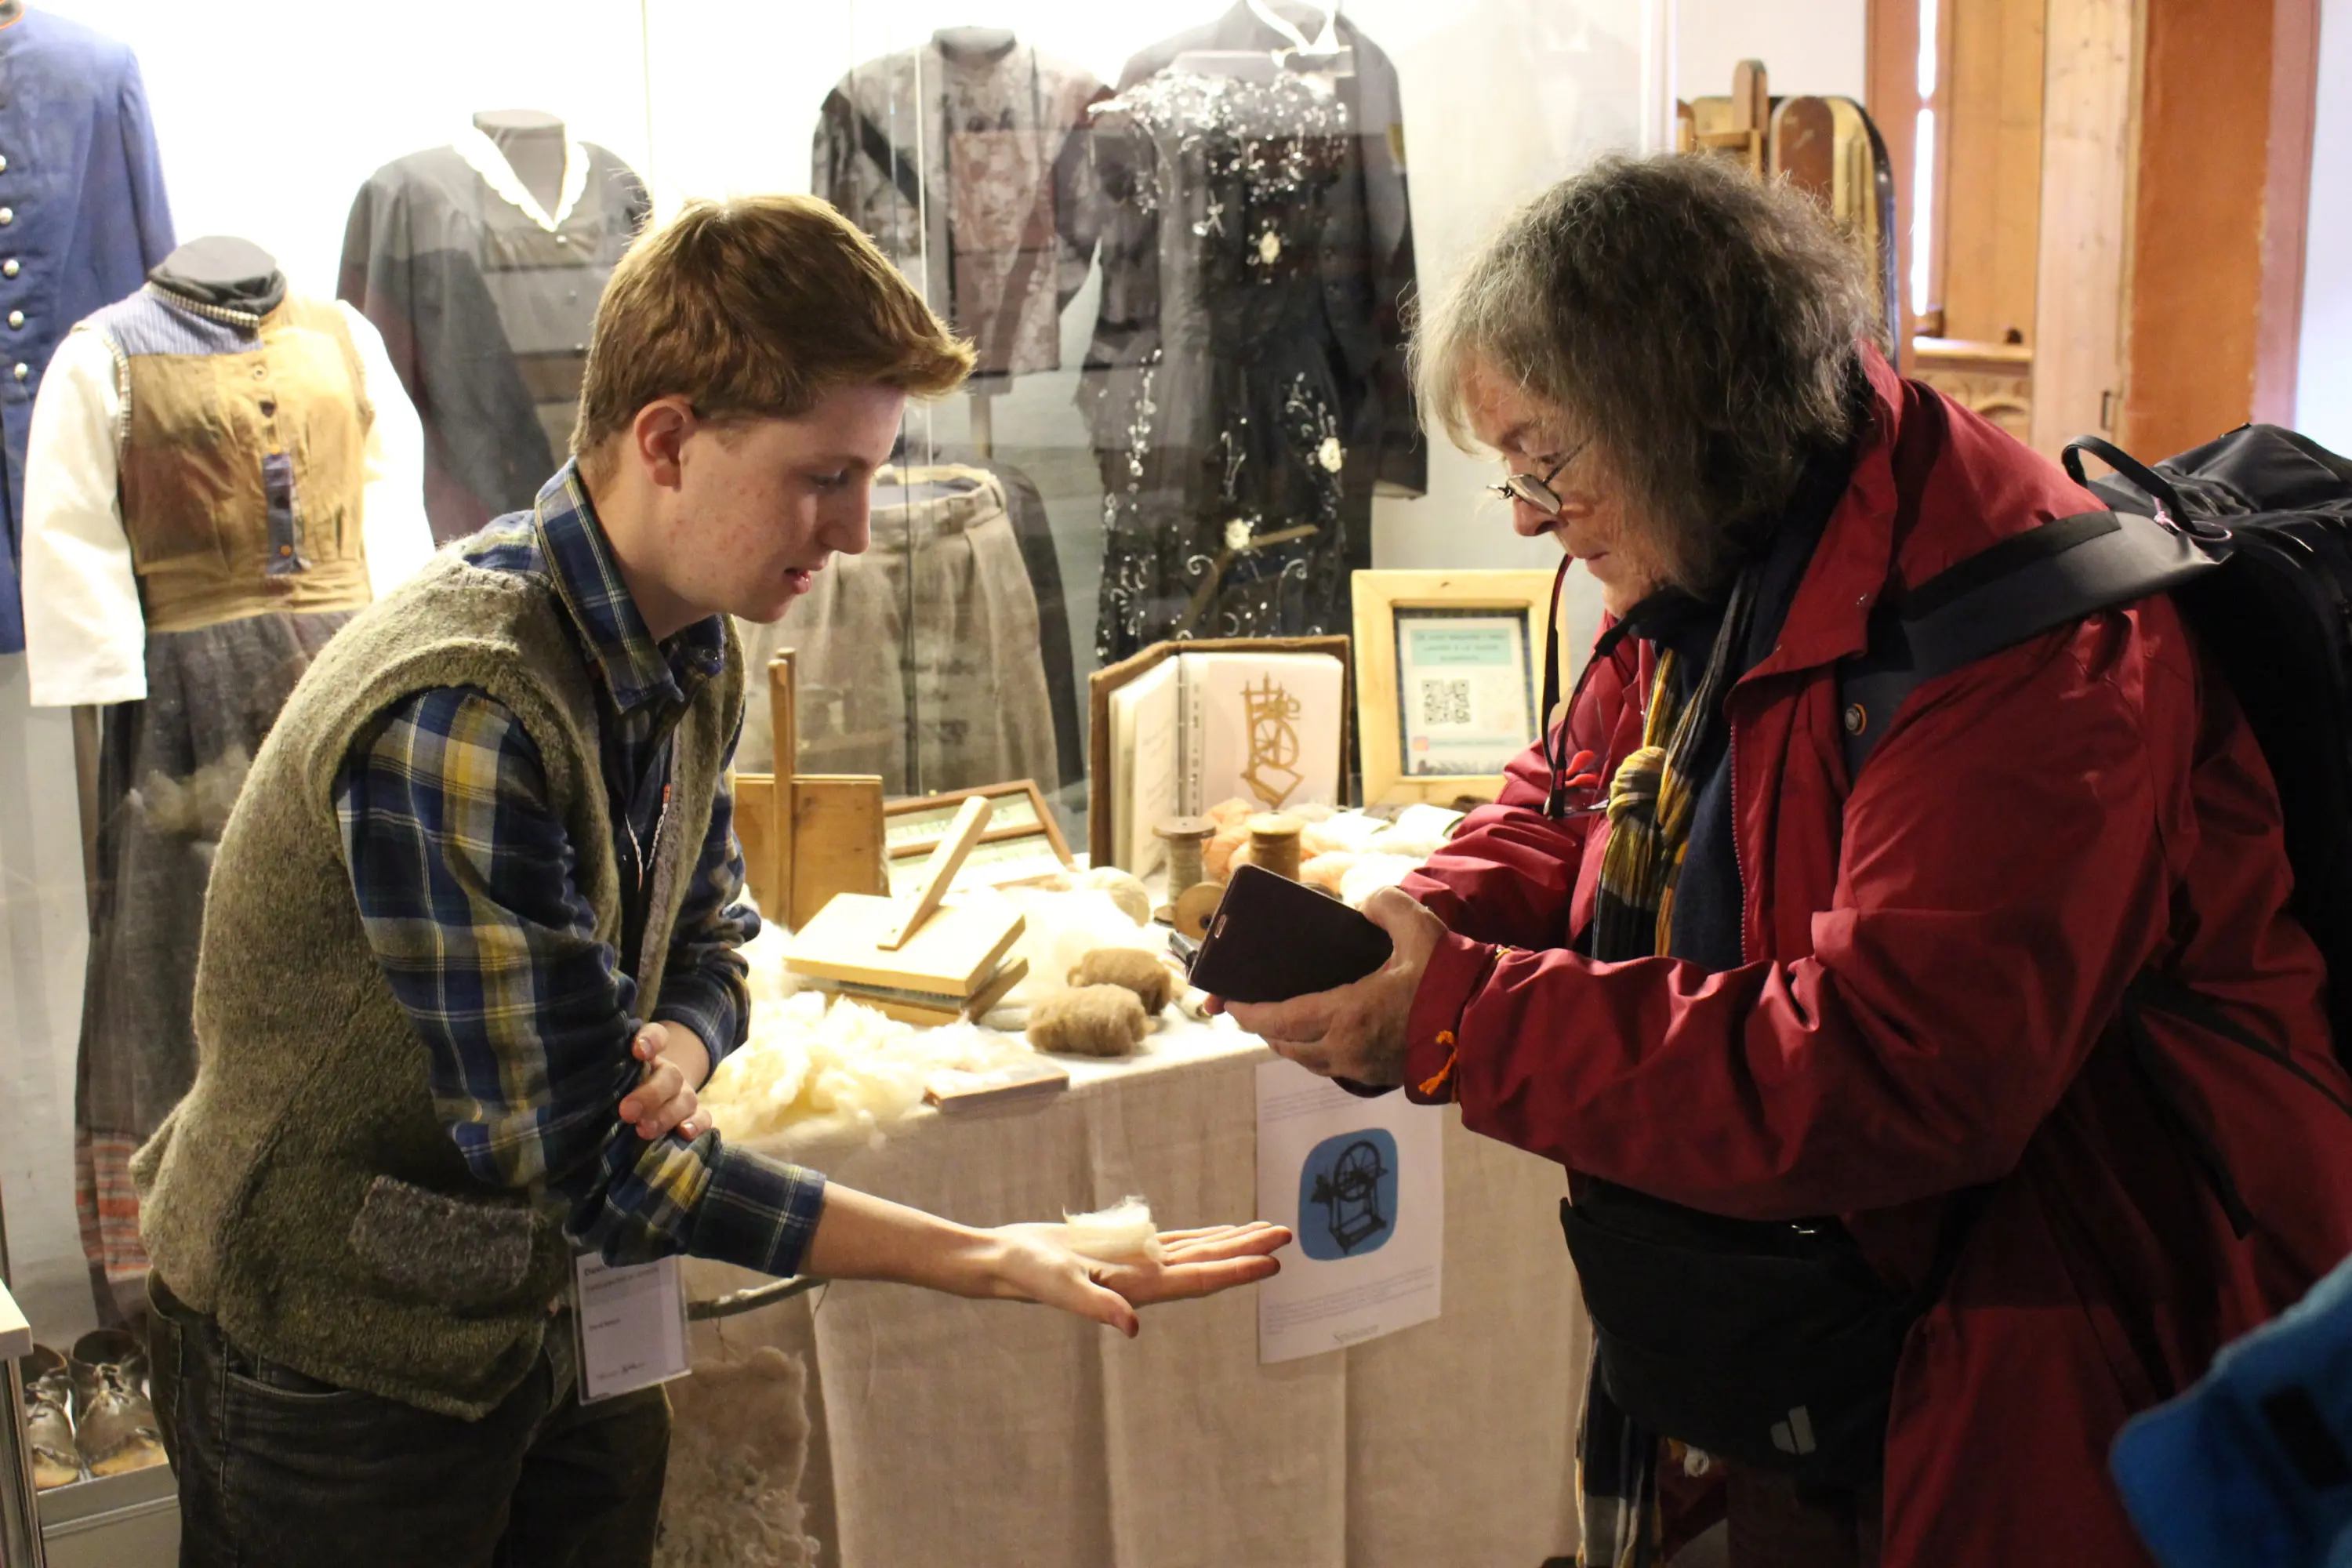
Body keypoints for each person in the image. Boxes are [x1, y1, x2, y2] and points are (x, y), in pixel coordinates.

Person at [1218, 154, 2352, 1566]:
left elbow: (1896, 1070)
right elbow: (1581, 790)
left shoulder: (2027, 640)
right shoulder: (1738, 536)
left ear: (1680, 411)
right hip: (1852, 1329)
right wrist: (1424, 917)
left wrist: (1455, 1014)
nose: (1521, 516)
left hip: (2079, 1334)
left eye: (1544, 463)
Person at [131, 194, 1288, 1567]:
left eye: (868, 475)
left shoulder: (695, 642)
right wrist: (991, 1254)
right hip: (331, 1359)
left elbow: (711, 930)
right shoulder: (463, 707)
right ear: (668, 438)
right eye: (823, 478)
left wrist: (682, 1036)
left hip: (553, 1312)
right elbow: (589, 1158)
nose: (857, 531)